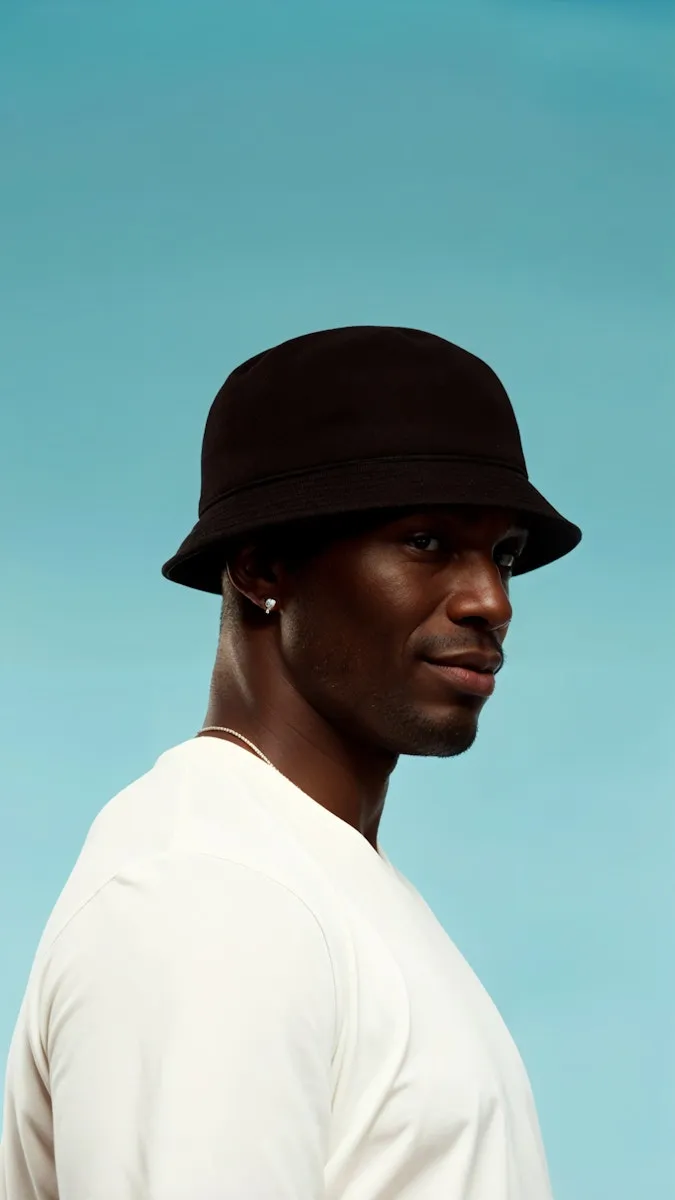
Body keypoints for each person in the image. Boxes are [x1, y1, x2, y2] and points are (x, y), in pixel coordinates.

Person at [0, 326, 581, 1199]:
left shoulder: (311, 874)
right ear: (263, 565)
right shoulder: (209, 891)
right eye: (425, 541)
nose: (490, 600)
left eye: (502, 554)